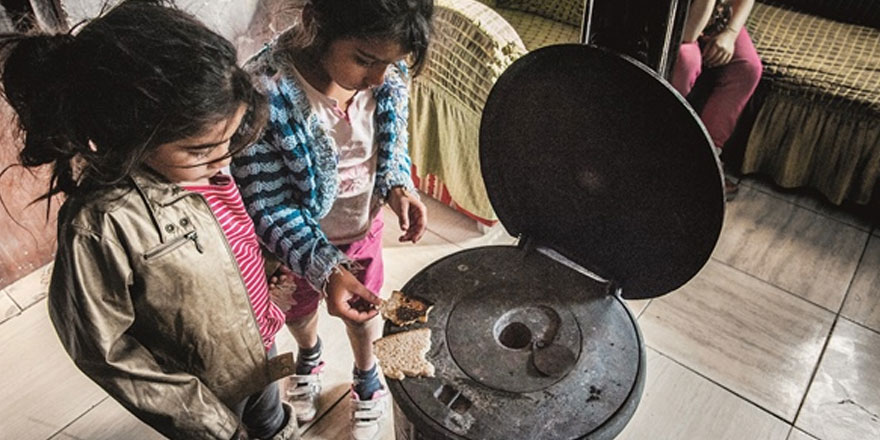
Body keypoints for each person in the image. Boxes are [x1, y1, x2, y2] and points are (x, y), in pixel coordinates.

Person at [0, 1, 299, 438]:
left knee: (271, 423)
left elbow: (227, 247)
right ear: (132, 134)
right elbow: (105, 350)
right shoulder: (101, 225)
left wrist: (266, 279)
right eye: (201, 149)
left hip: (258, 350)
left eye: (230, 139)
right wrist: (209, 422)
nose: (223, 160)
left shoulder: (206, 168)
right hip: (202, 395)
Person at [230, 0, 432, 438]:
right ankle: (309, 354)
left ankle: (366, 373)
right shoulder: (262, 93)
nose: (379, 77)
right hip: (294, 249)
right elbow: (267, 204)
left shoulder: (387, 76)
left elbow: (393, 141)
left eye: (391, 63)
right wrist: (324, 267)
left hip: (361, 230)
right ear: (315, 22)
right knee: (299, 311)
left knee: (362, 313)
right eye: (365, 60)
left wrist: (398, 184)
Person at [671, 0, 762, 199]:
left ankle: (706, 158)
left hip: (717, 15)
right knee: (685, 62)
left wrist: (730, 33)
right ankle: (665, 147)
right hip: (682, 18)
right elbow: (688, 34)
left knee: (748, 69)